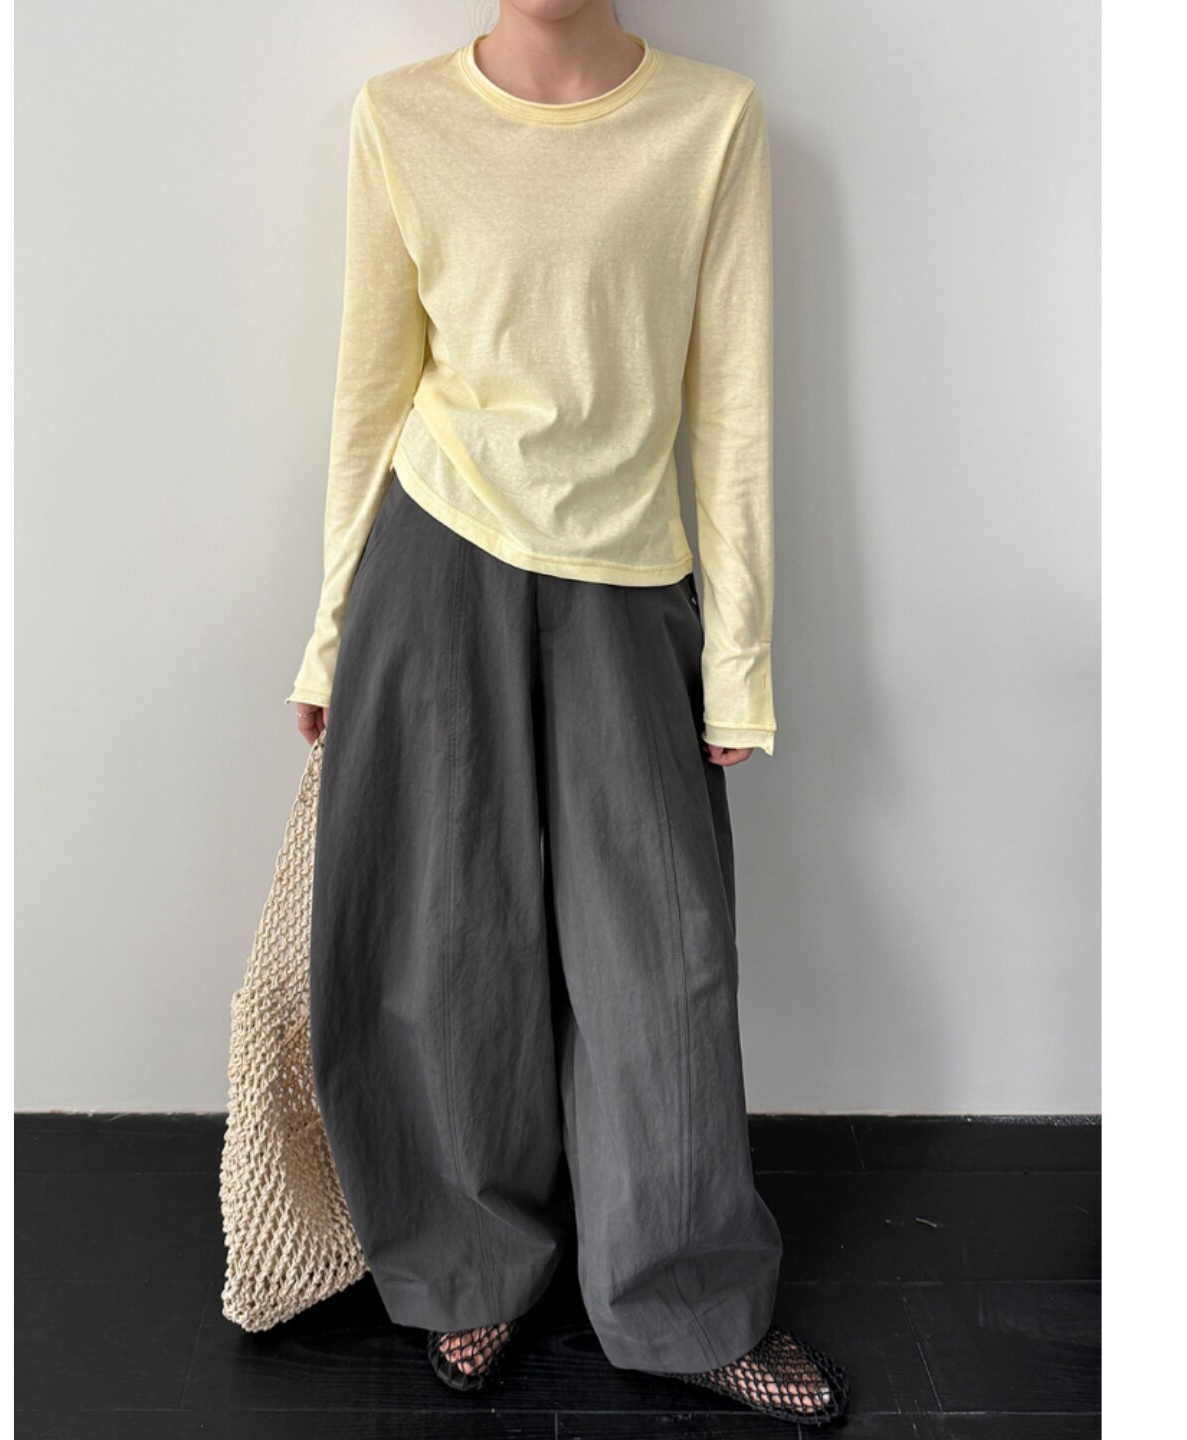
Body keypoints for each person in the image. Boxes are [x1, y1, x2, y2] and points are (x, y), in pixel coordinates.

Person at [284, 1, 850, 1426]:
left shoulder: (710, 123)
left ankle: (683, 1299)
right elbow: (370, 392)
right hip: (435, 559)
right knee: (444, 942)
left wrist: (740, 657)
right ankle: (469, 1268)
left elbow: (731, 404)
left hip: (628, 577)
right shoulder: (401, 117)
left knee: (664, 955)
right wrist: (329, 638)